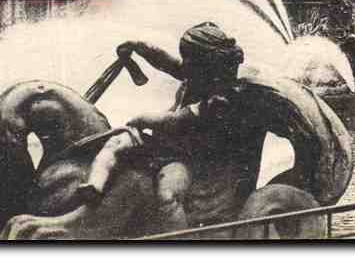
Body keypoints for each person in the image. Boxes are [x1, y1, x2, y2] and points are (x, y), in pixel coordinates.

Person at [110, 22, 265, 230]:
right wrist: (139, 47)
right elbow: (167, 62)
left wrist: (142, 119)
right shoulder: (197, 75)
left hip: (195, 161)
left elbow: (177, 120)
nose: (184, 64)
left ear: (208, 64)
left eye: (189, 60)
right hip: (174, 149)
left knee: (168, 195)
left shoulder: (219, 98)